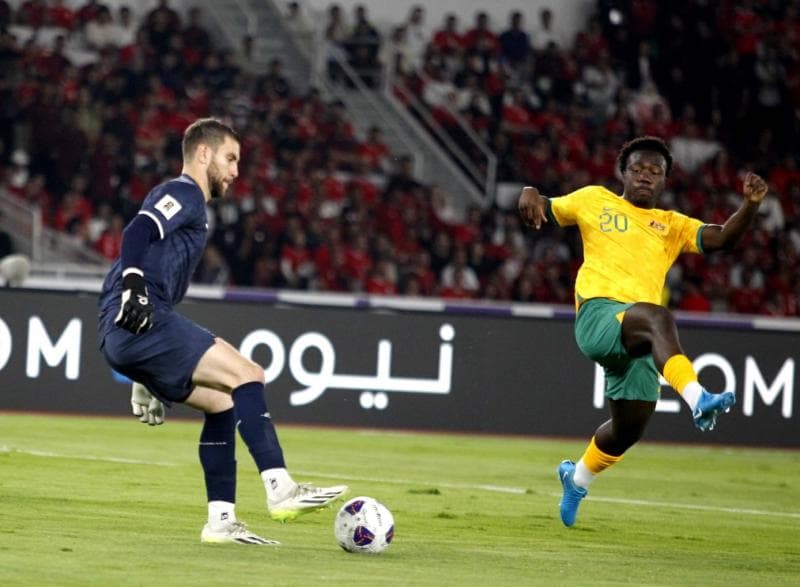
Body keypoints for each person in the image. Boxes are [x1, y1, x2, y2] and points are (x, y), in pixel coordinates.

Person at [97, 118, 348, 545]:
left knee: (221, 404)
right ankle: (280, 488)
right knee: (248, 375)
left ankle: (220, 520)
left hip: (128, 330)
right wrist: (135, 287)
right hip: (142, 314)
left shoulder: (193, 207)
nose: (235, 171)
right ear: (203, 153)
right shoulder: (185, 192)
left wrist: (140, 375)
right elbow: (137, 230)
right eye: (230, 158)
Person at [517, 136, 768, 527]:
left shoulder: (671, 225)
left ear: (666, 180)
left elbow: (722, 238)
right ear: (624, 173)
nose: (645, 177)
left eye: (655, 172)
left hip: (636, 339)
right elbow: (546, 207)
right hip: (600, 317)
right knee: (658, 317)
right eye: (638, 169)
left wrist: (750, 206)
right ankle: (698, 397)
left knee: (626, 429)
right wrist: (530, 191)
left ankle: (576, 478)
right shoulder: (594, 200)